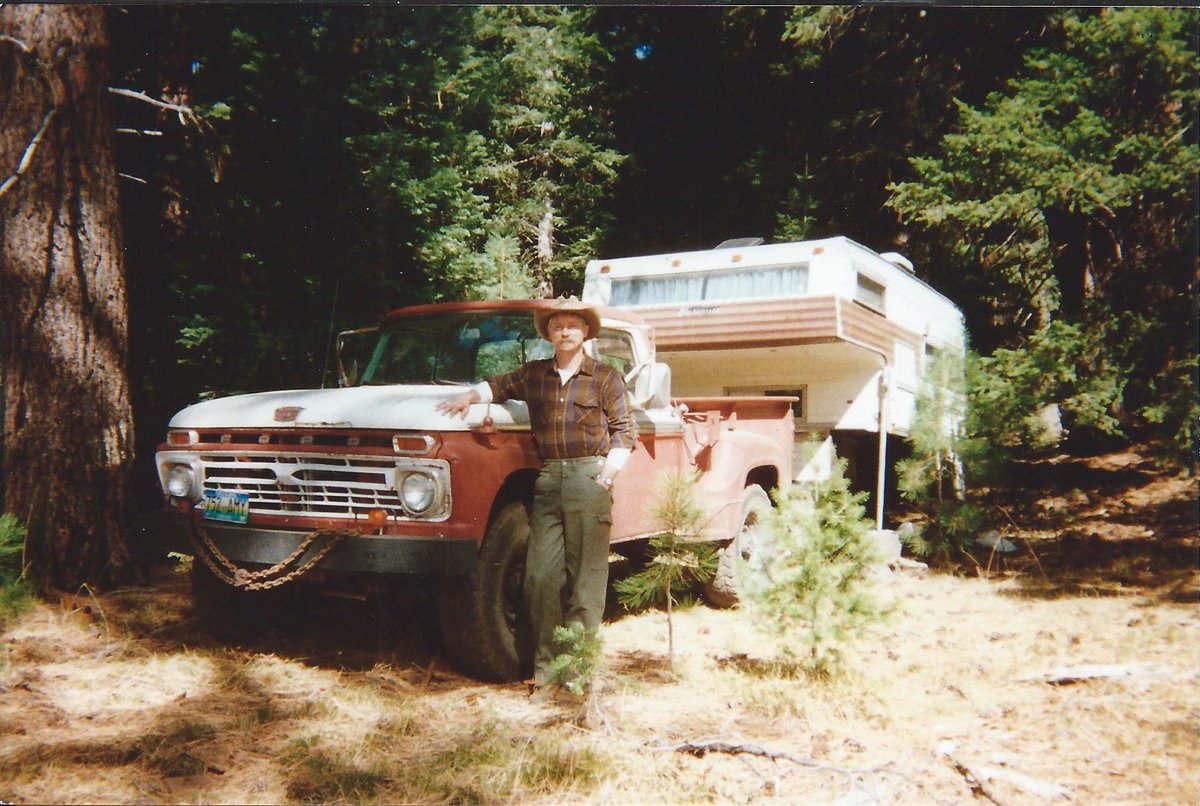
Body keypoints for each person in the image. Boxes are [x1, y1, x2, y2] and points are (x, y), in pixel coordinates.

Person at [437, 297, 636, 702]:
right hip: (548, 480)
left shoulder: (604, 377)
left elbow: (624, 431)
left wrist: (608, 473)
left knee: (586, 580)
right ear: (548, 333)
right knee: (540, 579)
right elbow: (495, 386)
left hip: (589, 478)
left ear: (585, 334)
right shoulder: (534, 375)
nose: (564, 331)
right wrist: (468, 397)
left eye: (573, 326)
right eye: (557, 325)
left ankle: (577, 676)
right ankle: (546, 675)